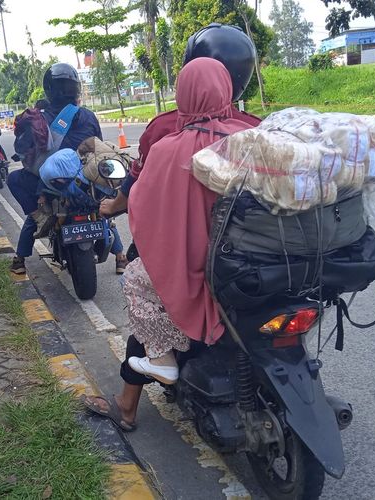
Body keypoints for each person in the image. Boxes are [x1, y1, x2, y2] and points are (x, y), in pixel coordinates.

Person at [83, 26, 261, 431]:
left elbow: (143, 203)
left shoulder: (166, 134)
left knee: (140, 283)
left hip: (195, 261)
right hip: (252, 263)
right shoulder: (255, 132)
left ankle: (127, 406)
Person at [99, 23, 261, 218]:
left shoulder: (162, 128)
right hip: (242, 243)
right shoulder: (255, 129)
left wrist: (114, 206)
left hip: (173, 236)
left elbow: (138, 182)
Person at [8, 63, 111, 275]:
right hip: (84, 179)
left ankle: (20, 257)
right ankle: (119, 257)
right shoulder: (88, 116)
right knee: (102, 211)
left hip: (51, 184)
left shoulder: (39, 118)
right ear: (77, 88)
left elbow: (24, 148)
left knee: (17, 185)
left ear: (49, 89)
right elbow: (98, 143)